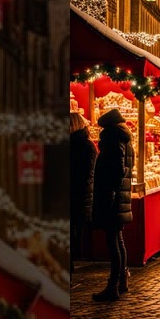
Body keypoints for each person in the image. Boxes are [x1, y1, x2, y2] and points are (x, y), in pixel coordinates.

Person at [91, 108, 133, 301]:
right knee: (119, 240)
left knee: (113, 242)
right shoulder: (124, 140)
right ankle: (122, 280)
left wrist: (110, 192)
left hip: (112, 197)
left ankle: (112, 286)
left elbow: (115, 171)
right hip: (120, 196)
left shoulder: (112, 140)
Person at [70, 112, 95, 273]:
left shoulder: (80, 146)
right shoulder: (87, 145)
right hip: (80, 197)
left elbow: (81, 175)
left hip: (76, 197)